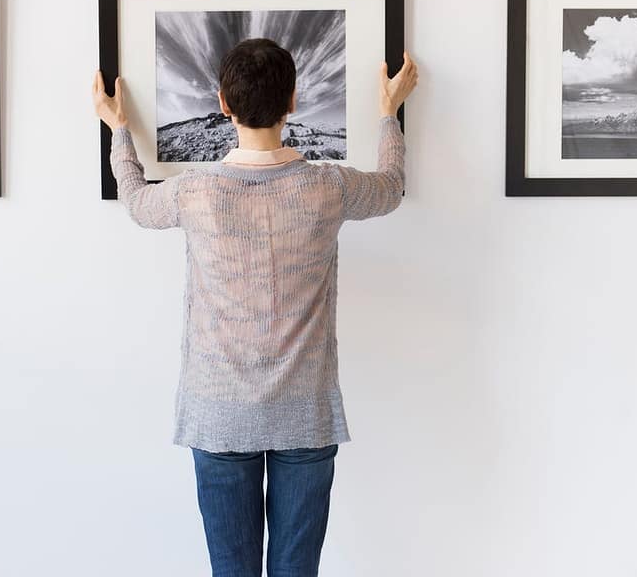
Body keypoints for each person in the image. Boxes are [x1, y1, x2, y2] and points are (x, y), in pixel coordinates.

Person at [93, 39, 418, 577]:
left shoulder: (193, 191)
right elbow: (392, 186)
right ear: (293, 101)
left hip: (219, 413)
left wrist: (118, 130)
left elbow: (134, 200)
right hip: (305, 413)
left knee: (232, 569)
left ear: (222, 103)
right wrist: (388, 114)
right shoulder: (328, 186)